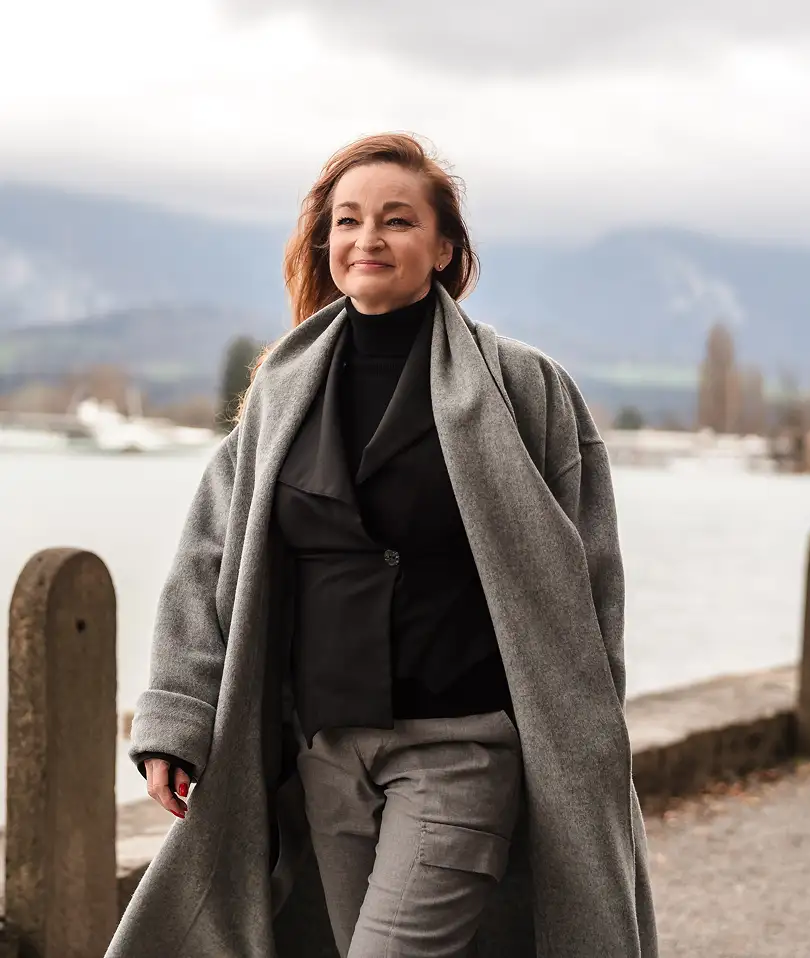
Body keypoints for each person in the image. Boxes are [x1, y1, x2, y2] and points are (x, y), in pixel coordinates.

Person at [108, 133, 658, 958]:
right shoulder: (283, 390)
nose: (368, 239)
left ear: (444, 248)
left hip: (460, 750)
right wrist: (177, 718)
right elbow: (208, 556)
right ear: (326, 242)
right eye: (348, 220)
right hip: (325, 751)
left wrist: (587, 739)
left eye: (397, 221)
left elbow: (592, 579)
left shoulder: (524, 390)